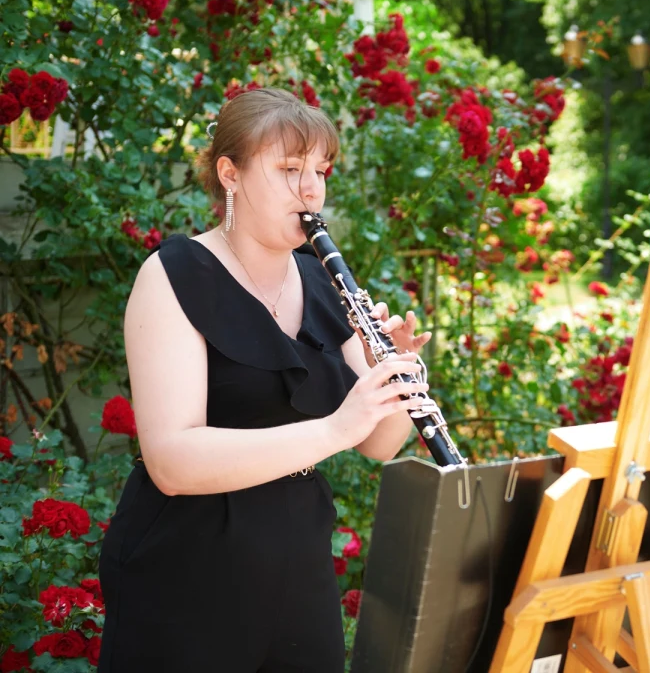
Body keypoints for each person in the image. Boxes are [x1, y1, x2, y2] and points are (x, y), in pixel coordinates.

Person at [98, 88, 432, 672]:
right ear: (230, 174)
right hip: (187, 567)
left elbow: (380, 444)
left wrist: (396, 374)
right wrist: (335, 428)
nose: (310, 189)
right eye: (288, 169)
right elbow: (171, 462)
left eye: (319, 171)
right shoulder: (174, 275)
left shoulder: (323, 283)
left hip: (296, 561)